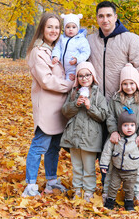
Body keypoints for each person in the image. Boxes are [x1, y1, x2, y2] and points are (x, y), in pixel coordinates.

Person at [87, 1, 139, 205]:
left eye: (109, 15)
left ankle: (138, 190)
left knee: (134, 143)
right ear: (97, 18)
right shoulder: (90, 40)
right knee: (107, 147)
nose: (105, 20)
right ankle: (110, 187)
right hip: (100, 105)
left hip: (125, 104)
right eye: (101, 16)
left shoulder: (130, 39)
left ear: (116, 17)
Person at [22, 13, 74, 197]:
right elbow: (46, 80)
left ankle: (51, 181)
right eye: (49, 27)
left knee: (54, 147)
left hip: (59, 108)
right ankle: (30, 185)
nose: (54, 31)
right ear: (42, 29)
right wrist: (69, 85)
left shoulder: (57, 50)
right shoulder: (37, 52)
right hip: (46, 106)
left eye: (57, 28)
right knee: (40, 145)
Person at [103, 63, 139, 207]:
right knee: (112, 170)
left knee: (136, 171)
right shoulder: (116, 100)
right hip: (118, 140)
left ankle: (137, 195)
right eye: (125, 84)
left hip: (135, 141)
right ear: (121, 85)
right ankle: (107, 193)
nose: (129, 87)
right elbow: (110, 117)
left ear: (136, 84)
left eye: (132, 83)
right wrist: (113, 131)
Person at [60, 61, 108, 202]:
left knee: (89, 168)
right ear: (77, 78)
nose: (84, 78)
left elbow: (103, 115)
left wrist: (89, 106)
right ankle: (77, 190)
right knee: (76, 167)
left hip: (90, 138)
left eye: (87, 75)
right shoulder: (74, 93)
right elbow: (65, 111)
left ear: (92, 76)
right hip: (74, 137)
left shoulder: (99, 95)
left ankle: (88, 191)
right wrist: (75, 104)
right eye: (81, 76)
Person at [100, 108, 139, 211]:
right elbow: (107, 152)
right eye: (125, 125)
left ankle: (129, 203)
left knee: (129, 188)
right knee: (113, 186)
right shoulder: (116, 138)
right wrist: (104, 164)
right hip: (117, 169)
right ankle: (110, 202)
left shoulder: (138, 140)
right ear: (120, 126)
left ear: (135, 126)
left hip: (132, 170)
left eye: (132, 125)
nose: (129, 128)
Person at [52, 13, 91, 81]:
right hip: (61, 67)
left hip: (73, 69)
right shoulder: (62, 38)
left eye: (73, 27)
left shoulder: (81, 40)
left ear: (77, 28)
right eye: (68, 27)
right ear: (64, 28)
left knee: (69, 84)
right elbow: (57, 48)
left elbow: (86, 52)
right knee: (57, 82)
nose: (70, 29)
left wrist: (77, 59)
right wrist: (55, 56)